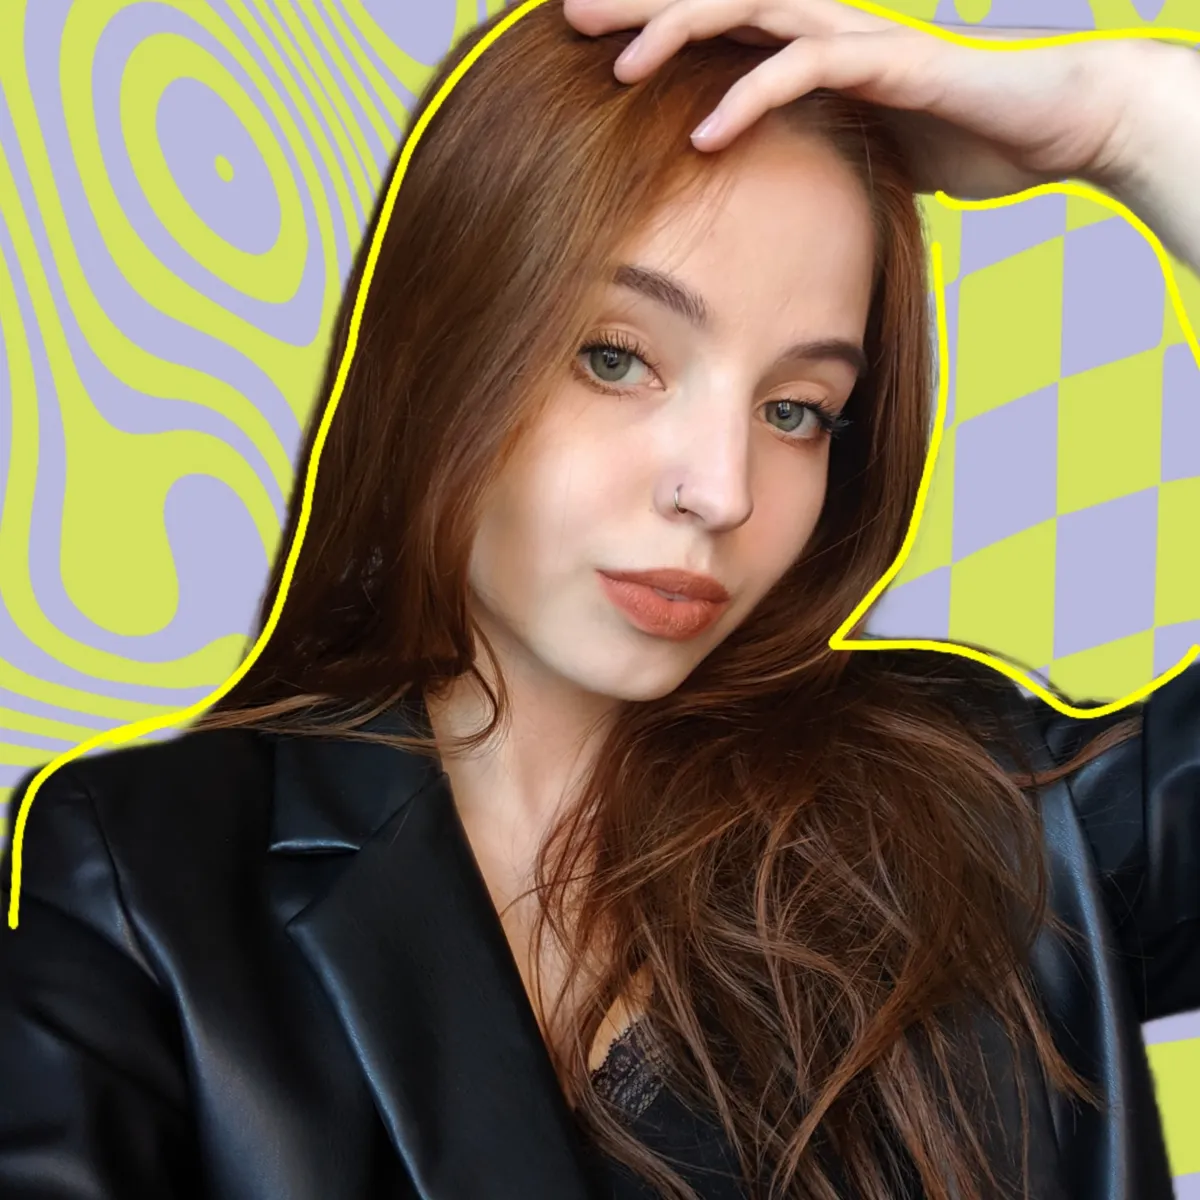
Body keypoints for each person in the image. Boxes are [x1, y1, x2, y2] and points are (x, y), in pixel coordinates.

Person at [1, 1, 1197, 1197]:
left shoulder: (984, 811)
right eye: (616, 357)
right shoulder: (145, 889)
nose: (720, 490)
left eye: (795, 411)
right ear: (443, 339)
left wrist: (1129, 123)